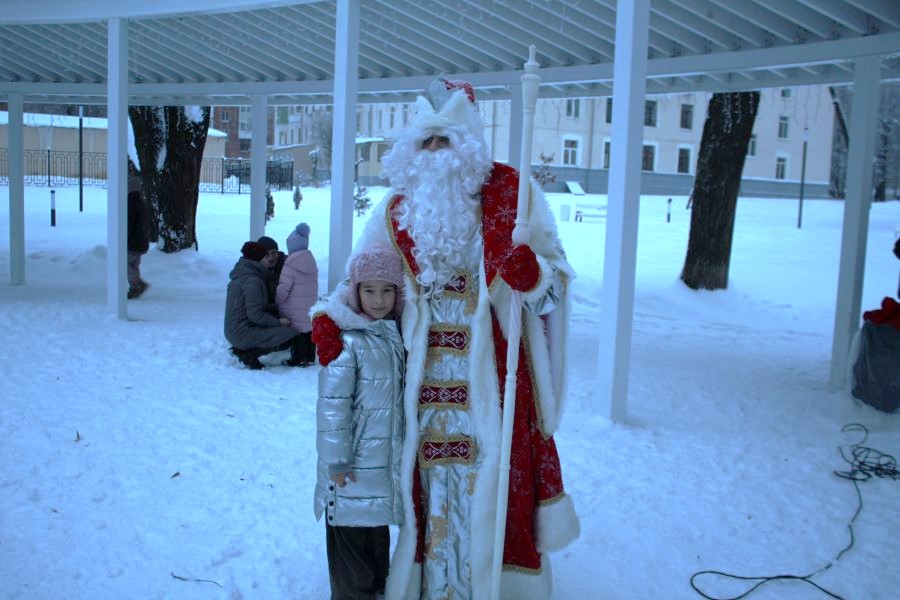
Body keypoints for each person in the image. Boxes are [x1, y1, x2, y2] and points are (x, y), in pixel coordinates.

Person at [313, 79, 579, 599]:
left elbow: (557, 285)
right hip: (420, 381)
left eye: (445, 140)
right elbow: (361, 276)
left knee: (494, 481)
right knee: (428, 483)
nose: (435, 152)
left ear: (469, 144)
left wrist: (533, 276)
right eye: (426, 142)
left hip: (495, 378)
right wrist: (332, 314)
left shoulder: (515, 199)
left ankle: (494, 587)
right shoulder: (395, 210)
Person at [312, 245, 406, 599]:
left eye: (387, 290)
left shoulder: (390, 335)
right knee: (350, 544)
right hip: (350, 470)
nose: (379, 300)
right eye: (369, 290)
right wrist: (336, 461)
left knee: (374, 536)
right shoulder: (347, 341)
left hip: (379, 469)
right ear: (355, 292)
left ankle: (377, 589)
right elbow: (333, 409)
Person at [224, 241, 300, 370]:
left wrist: (280, 307)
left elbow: (257, 306)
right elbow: (255, 315)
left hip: (236, 330)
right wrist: (279, 322)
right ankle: (248, 355)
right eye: (265, 256)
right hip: (242, 333)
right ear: (258, 259)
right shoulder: (252, 280)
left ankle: (244, 349)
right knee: (291, 333)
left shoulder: (245, 273)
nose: (270, 259)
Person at [276, 223, 318, 366]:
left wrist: (278, 300)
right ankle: (310, 357)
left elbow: (284, 288)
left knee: (298, 332)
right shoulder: (311, 262)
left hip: (293, 307)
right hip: (309, 305)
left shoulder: (289, 265)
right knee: (309, 329)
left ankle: (298, 358)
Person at [127, 174, 151, 299]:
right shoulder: (141, 202)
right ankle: (135, 286)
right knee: (133, 264)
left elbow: (129, 224)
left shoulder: (130, 203)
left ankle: (137, 285)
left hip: (133, 242)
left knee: (124, 264)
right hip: (142, 241)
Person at [257, 235, 286, 301]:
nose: (271, 258)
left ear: (278, 252)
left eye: (273, 253)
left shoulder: (288, 267)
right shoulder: (253, 271)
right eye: (266, 254)